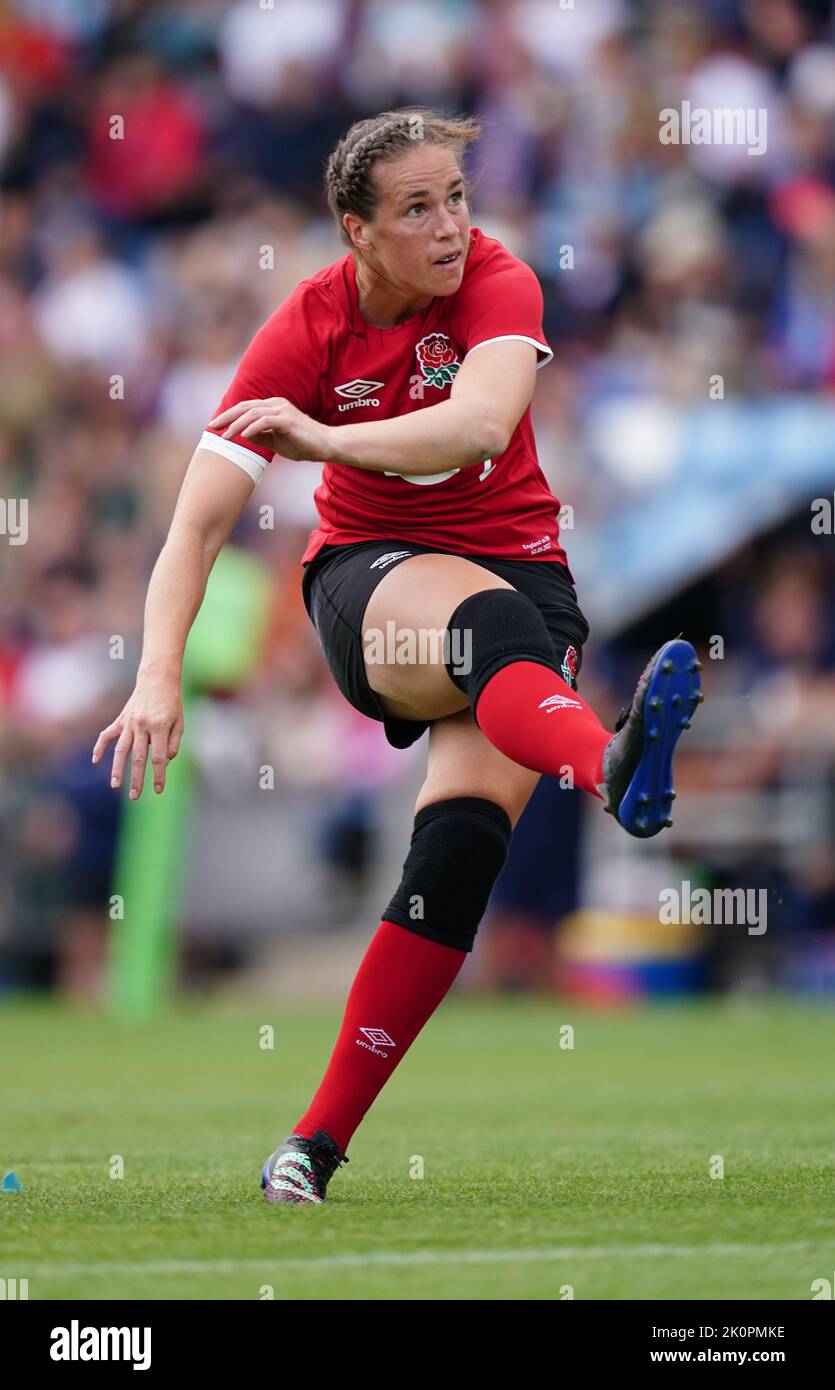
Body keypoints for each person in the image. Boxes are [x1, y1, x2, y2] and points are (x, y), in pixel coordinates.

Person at [92, 109, 703, 1205]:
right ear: (355, 231)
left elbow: (476, 427)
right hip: (369, 580)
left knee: (454, 862)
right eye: (417, 207)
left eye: (457, 197)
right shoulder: (302, 331)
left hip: (526, 579)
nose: (450, 225)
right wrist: (155, 674)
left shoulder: (502, 281)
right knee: (485, 628)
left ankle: (311, 1147)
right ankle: (607, 764)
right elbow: (191, 529)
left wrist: (321, 439)